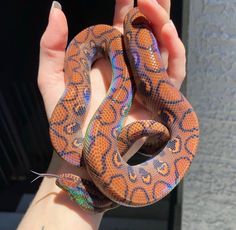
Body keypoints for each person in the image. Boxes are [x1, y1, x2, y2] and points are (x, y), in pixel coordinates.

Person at [18, 0, 186, 229]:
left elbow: (101, 168)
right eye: (80, 185)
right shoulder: (91, 158)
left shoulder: (81, 153)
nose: (68, 181)